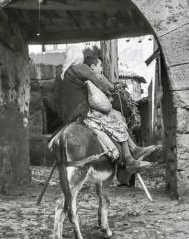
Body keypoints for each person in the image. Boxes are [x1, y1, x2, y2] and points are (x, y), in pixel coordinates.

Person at [51, 45, 152, 173]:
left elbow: (54, 99)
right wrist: (112, 88)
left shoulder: (60, 75)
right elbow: (99, 83)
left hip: (67, 118)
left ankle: (134, 151)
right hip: (85, 113)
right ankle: (129, 159)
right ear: (78, 56)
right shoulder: (81, 68)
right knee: (117, 123)